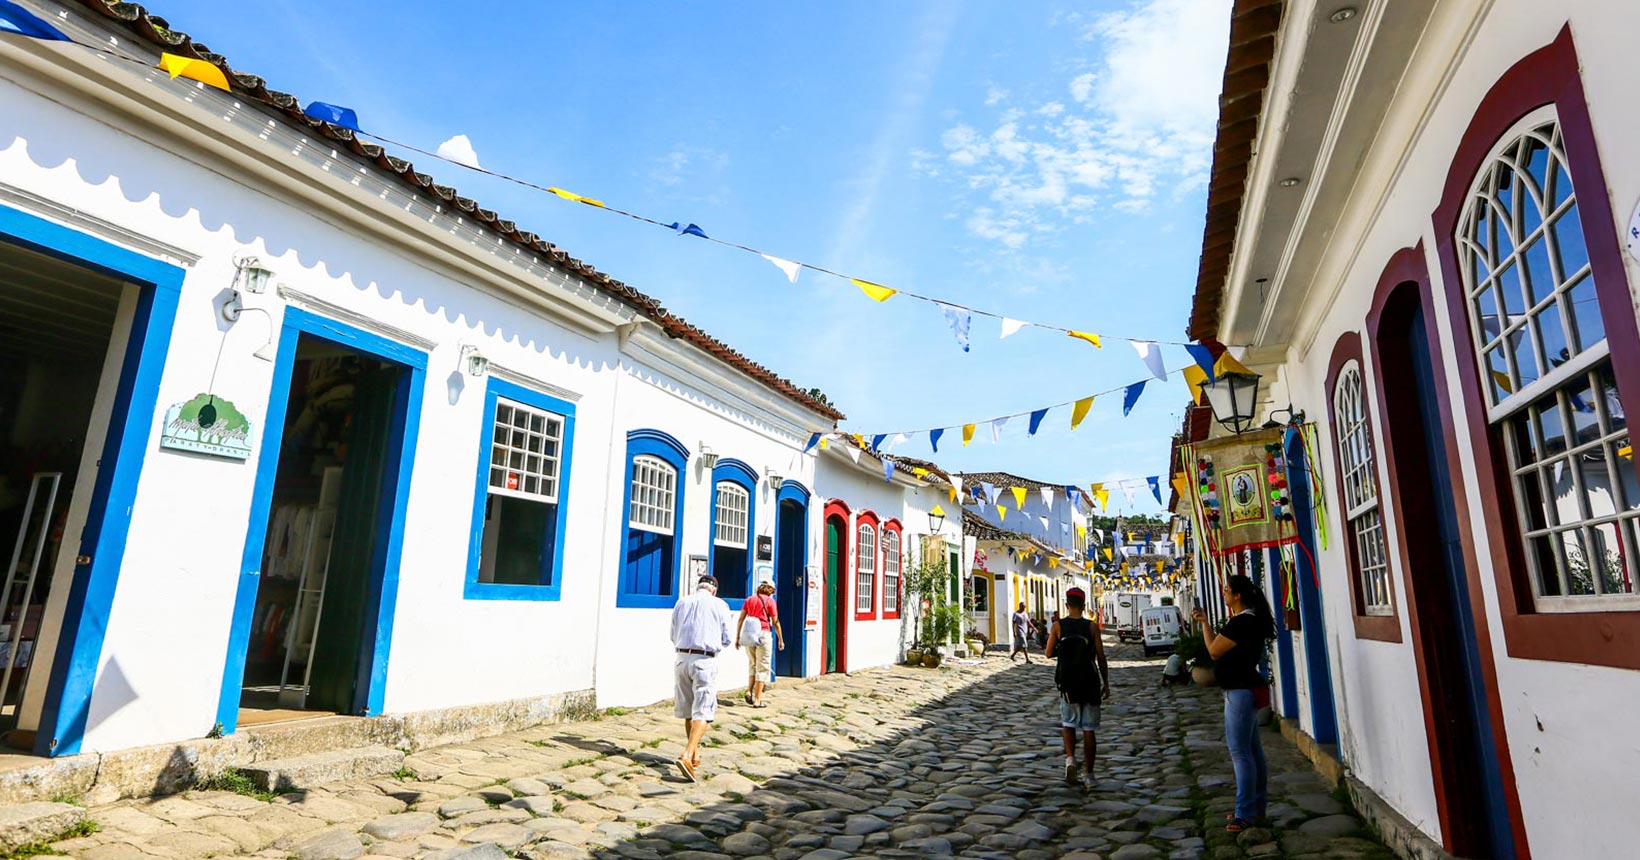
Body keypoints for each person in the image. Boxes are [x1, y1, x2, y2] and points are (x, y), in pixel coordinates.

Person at [1193, 575, 1275, 832]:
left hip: (1239, 691)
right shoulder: (1251, 619)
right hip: (1246, 688)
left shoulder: (1241, 622)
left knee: (1240, 753)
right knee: (1254, 753)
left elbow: (1215, 652)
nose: (1225, 594)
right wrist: (1205, 623)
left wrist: (1207, 626)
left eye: (1227, 590)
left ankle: (1244, 813)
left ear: (1237, 595)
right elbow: (1215, 649)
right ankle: (1256, 808)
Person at [1045, 587, 1111, 786]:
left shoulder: (1058, 627)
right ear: (1083, 606)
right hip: (1089, 681)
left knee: (1069, 723)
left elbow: (1048, 653)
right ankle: (1089, 775)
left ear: (1067, 605)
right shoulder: (1091, 627)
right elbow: (1100, 656)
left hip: (1068, 683)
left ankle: (1070, 759)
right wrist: (1106, 682)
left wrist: (1065, 652)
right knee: (1089, 728)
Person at [670, 575, 732, 782]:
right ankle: (687, 754)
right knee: (703, 711)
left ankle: (694, 754)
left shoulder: (682, 602)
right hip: (705, 660)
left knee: (689, 710)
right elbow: (727, 638)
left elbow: (672, 633)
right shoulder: (720, 605)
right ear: (714, 590)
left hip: (681, 659)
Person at [735, 580, 784, 708]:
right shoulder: (770, 602)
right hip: (763, 634)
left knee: (752, 664)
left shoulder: (749, 600)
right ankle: (757, 699)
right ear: (770, 590)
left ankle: (748, 691)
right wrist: (780, 639)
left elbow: (741, 619)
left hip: (749, 634)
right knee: (762, 667)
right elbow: (775, 622)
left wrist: (738, 637)